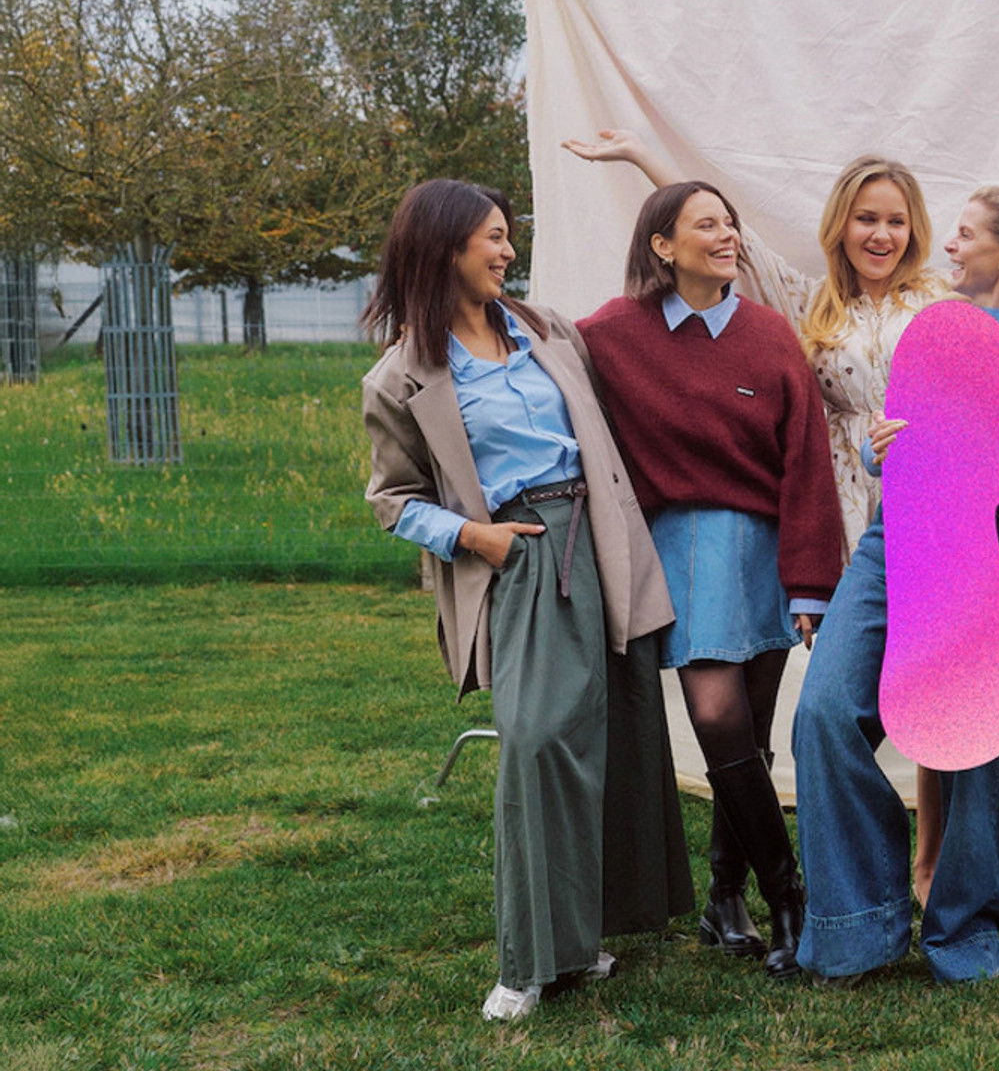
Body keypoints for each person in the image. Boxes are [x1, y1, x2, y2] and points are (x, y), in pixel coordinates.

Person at [563, 133, 954, 904]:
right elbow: (719, 235)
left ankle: (930, 862)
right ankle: (784, 885)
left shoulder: (941, 306)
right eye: (866, 218)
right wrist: (643, 156)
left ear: (914, 231)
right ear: (840, 225)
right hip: (837, 510)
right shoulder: (811, 304)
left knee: (926, 689)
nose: (881, 234)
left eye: (896, 221)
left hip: (925, 507)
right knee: (824, 704)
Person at [358, 179, 692, 1021]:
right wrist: (479, 539)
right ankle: (528, 961)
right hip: (522, 553)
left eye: (509, 236)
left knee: (614, 733)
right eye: (493, 238)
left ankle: (582, 940)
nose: (508, 252)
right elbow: (393, 500)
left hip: (603, 538)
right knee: (539, 742)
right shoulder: (400, 377)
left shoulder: (546, 330)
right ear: (444, 249)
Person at [791, 185, 999, 985]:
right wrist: (881, 446)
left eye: (964, 234)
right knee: (825, 715)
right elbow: (881, 448)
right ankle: (858, 924)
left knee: (982, 752)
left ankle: (964, 931)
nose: (948, 246)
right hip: (895, 543)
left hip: (988, 557)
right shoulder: (932, 327)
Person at [576, 181, 842, 981]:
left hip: (768, 550)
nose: (727, 236)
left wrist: (810, 582)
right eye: (707, 224)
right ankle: (789, 896)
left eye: (730, 223)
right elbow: (539, 353)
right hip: (685, 548)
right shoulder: (613, 334)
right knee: (719, 718)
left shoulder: (767, 335)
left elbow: (807, 462)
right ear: (663, 245)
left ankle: (725, 896)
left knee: (748, 735)